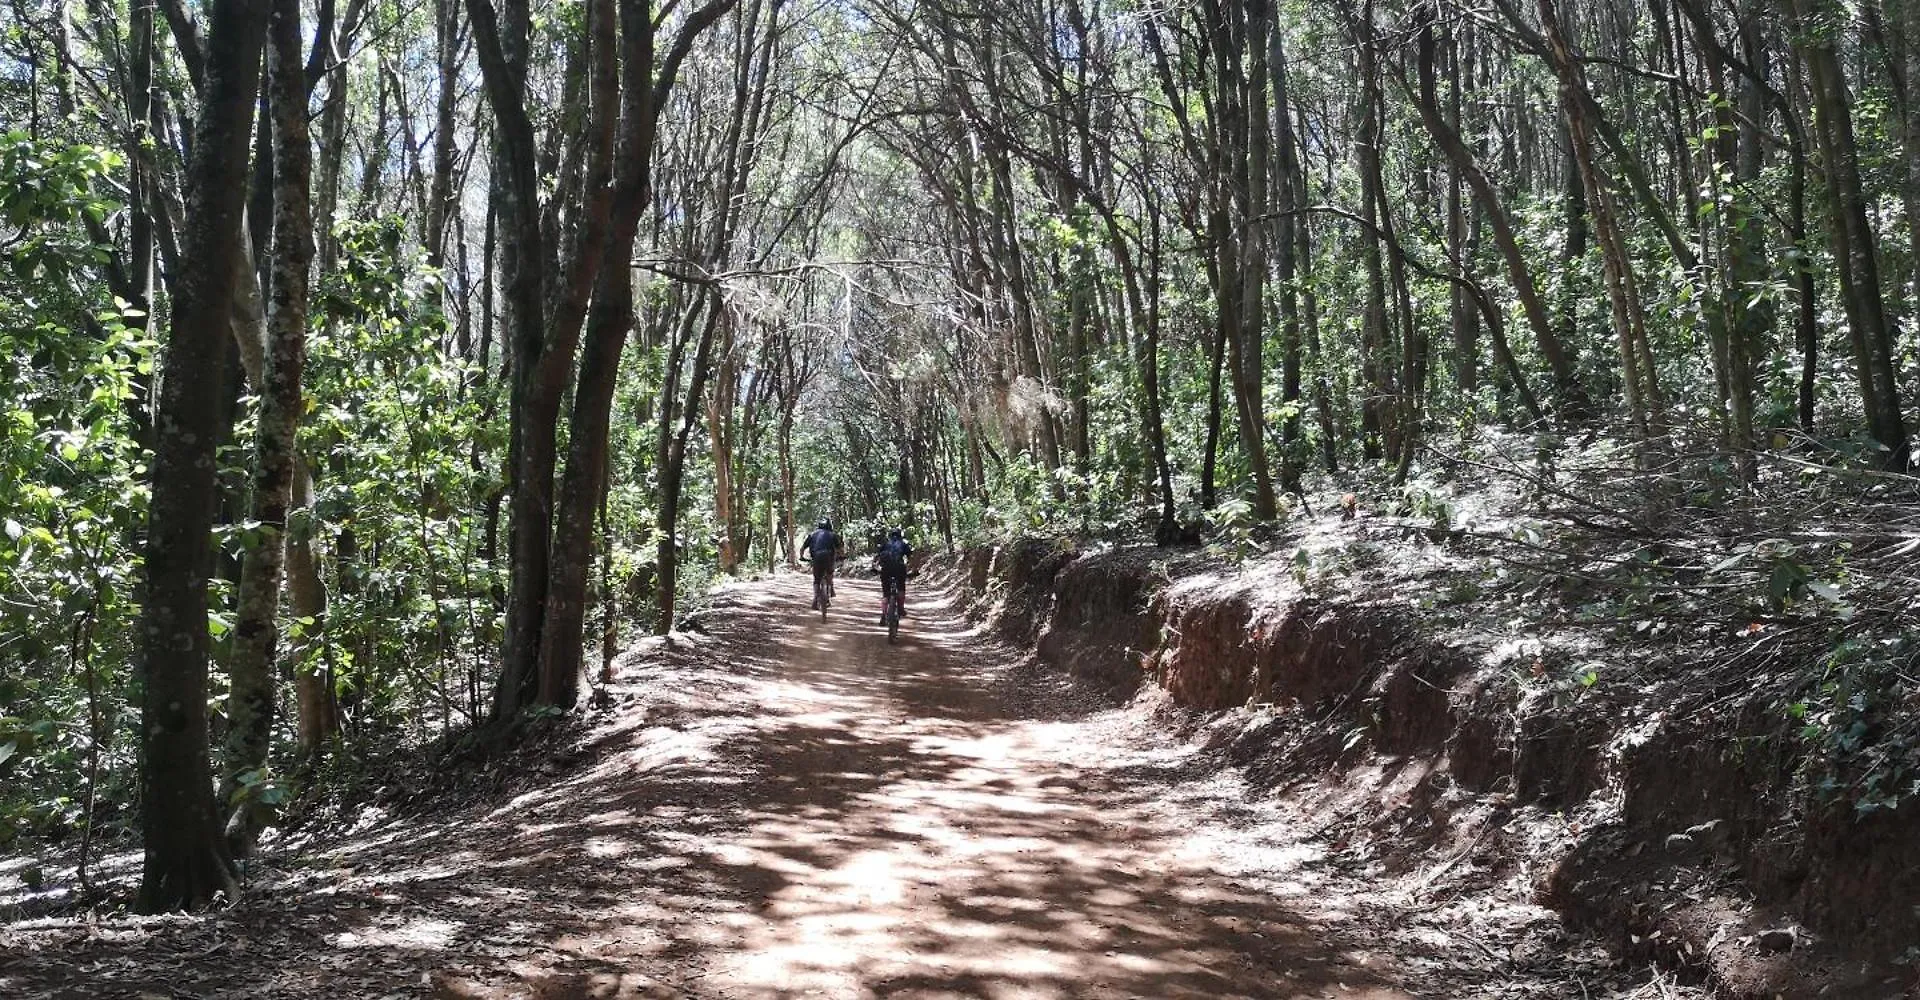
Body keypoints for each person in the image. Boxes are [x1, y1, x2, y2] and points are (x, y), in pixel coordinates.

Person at [874, 528, 914, 623]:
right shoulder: (903, 544)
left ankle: (883, 615)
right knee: (901, 588)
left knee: (886, 594)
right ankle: (900, 608)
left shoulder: (885, 544)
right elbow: (910, 558)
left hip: (886, 570)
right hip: (899, 569)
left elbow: (877, 557)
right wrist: (913, 569)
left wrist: (875, 567)